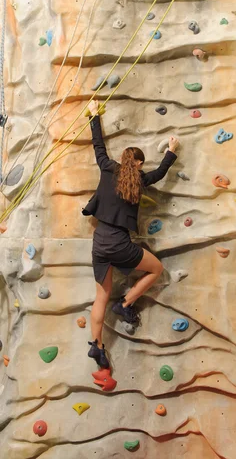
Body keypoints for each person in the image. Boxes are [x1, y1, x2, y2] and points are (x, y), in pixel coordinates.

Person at [82, 100, 179, 368]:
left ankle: (97, 346)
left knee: (100, 296)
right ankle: (125, 304)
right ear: (136, 163)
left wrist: (93, 115)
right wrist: (171, 151)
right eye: (141, 162)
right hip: (119, 243)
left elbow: (98, 145)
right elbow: (159, 173)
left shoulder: (106, 167)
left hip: (99, 241)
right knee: (156, 269)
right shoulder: (138, 179)